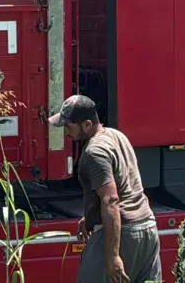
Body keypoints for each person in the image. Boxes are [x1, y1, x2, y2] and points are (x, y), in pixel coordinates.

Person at [48, 95, 161, 283]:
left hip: (124, 234)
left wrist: (113, 256)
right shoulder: (117, 136)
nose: (66, 133)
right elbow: (124, 186)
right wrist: (91, 216)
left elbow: (111, 200)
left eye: (69, 127)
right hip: (147, 227)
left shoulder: (95, 152)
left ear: (87, 124)